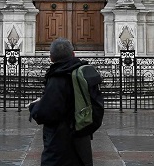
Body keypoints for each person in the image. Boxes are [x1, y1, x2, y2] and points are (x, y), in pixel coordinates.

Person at [29, 37, 102, 166]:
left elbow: (47, 112)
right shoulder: (84, 73)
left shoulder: (58, 78)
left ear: (51, 58)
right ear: (73, 54)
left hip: (60, 142)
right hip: (82, 137)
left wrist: (34, 107)